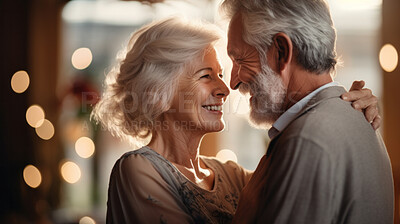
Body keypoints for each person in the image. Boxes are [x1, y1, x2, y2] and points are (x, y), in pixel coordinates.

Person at [92, 17, 382, 223]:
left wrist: (341, 104)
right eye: (206, 76)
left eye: (220, 74)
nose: (224, 88)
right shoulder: (136, 169)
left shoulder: (230, 174)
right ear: (158, 93)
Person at [219, 0, 394, 223]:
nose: (233, 82)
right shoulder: (356, 116)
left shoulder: (306, 139)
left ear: (281, 52)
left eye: (241, 60)